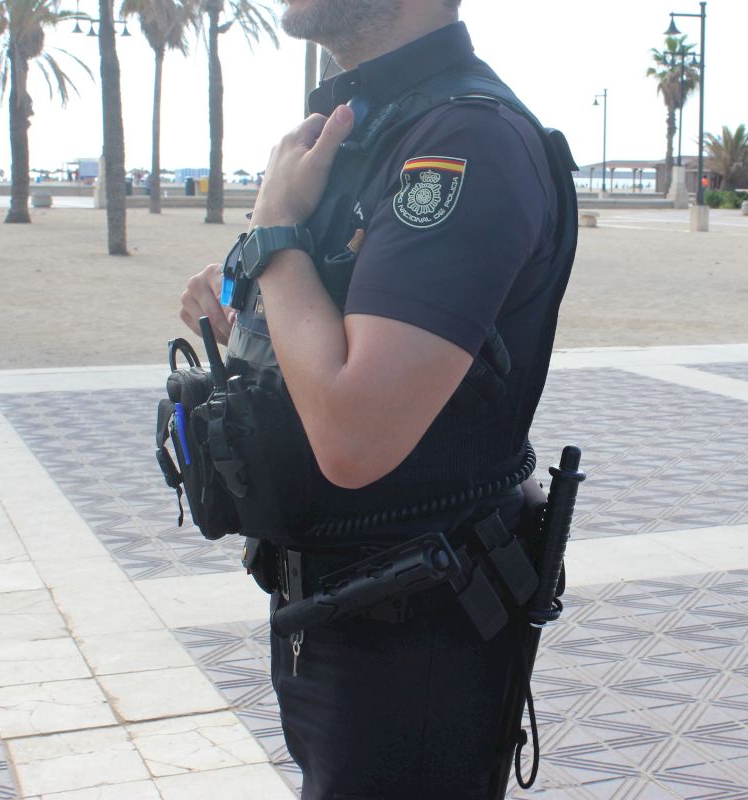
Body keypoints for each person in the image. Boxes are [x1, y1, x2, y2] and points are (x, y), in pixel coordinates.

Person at [177, 1, 578, 797]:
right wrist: (241, 303)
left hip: (414, 630)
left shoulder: (466, 141)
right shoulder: (368, 124)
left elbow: (356, 433)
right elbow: (320, 320)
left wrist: (273, 231)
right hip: (336, 613)